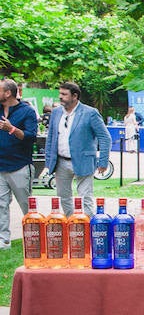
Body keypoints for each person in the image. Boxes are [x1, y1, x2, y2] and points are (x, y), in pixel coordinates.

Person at [44, 82, 111, 217]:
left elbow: (105, 138)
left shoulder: (90, 113)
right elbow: (51, 137)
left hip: (84, 160)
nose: (60, 97)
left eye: (64, 94)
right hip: (61, 161)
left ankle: (86, 225)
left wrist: (103, 161)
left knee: (85, 197)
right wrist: (48, 160)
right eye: (60, 94)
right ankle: (71, 224)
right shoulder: (56, 112)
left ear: (75, 96)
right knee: (63, 196)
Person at [0, 79, 38, 250]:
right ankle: (4, 240)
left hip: (20, 166)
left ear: (8, 93)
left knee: (26, 204)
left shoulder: (27, 111)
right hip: (1, 166)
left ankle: (33, 237)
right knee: (1, 205)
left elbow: (31, 137)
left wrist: (12, 129)